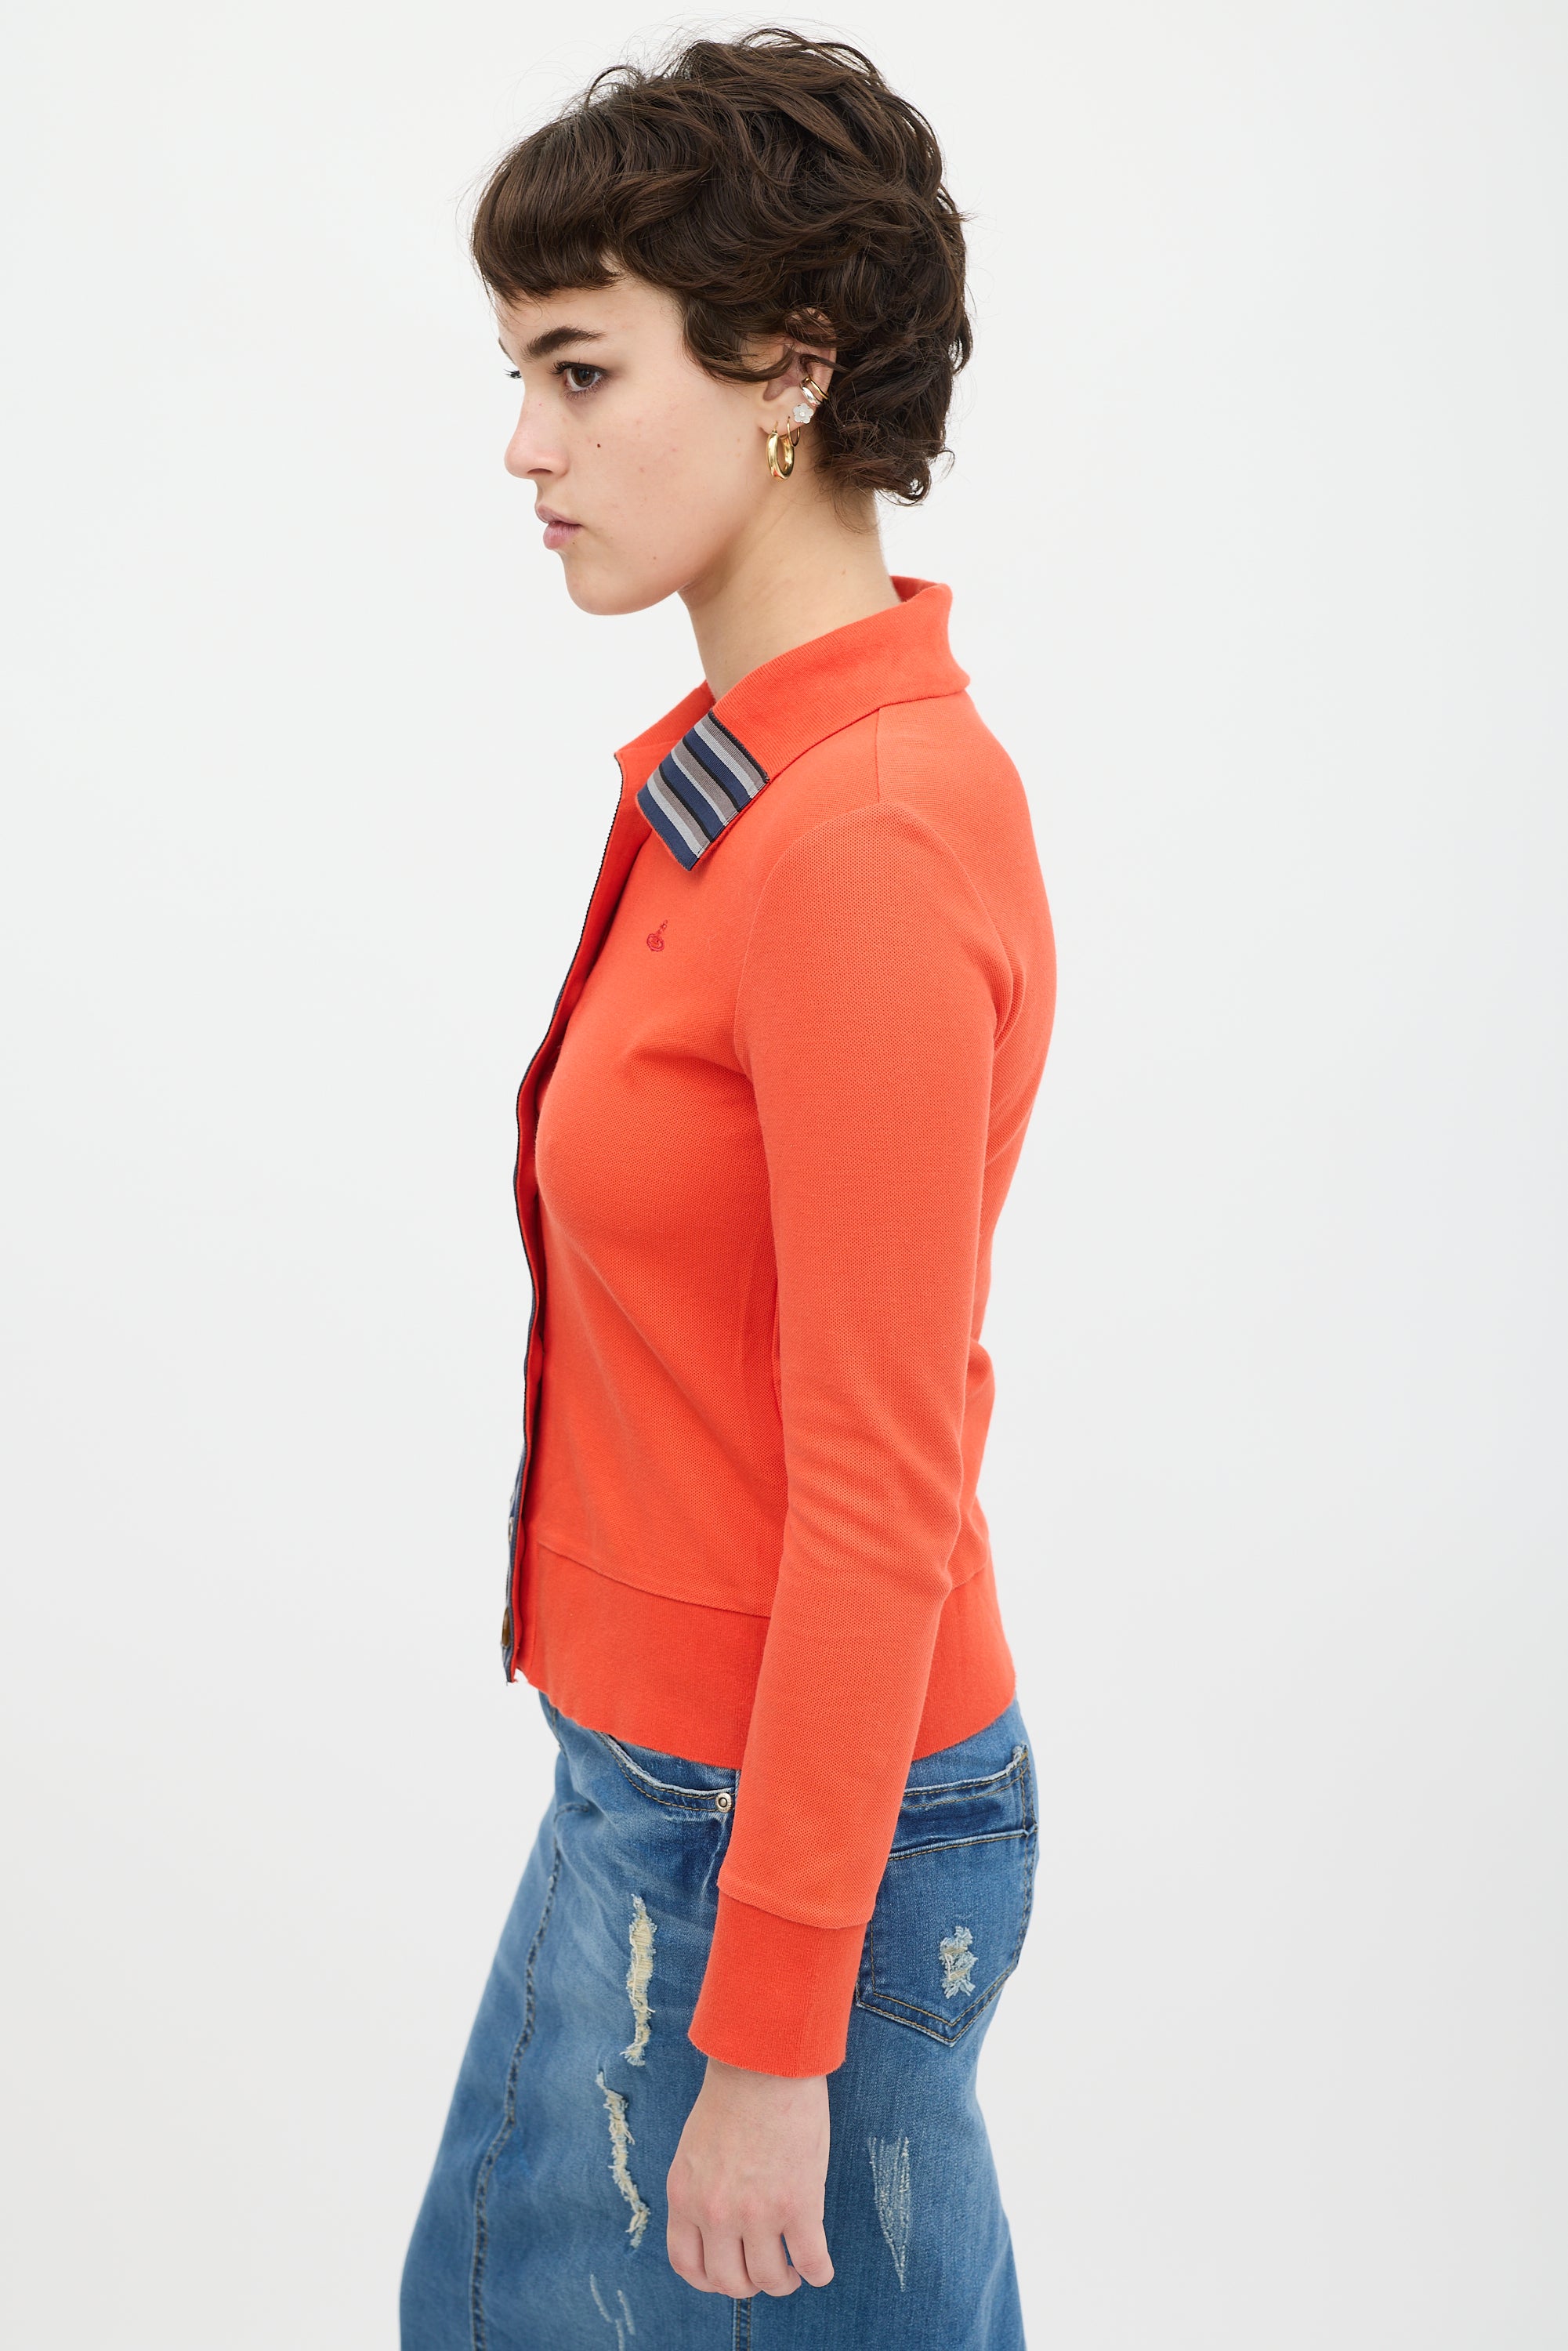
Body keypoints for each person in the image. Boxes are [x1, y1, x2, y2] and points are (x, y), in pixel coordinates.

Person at [400, 30, 1056, 2349]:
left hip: (772, 1825)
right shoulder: (752, 780)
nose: (524, 442)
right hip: (679, 1785)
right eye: (517, 373)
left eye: (580, 369)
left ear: (790, 369)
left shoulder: (857, 840)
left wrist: (772, 2037)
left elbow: (882, 1479)